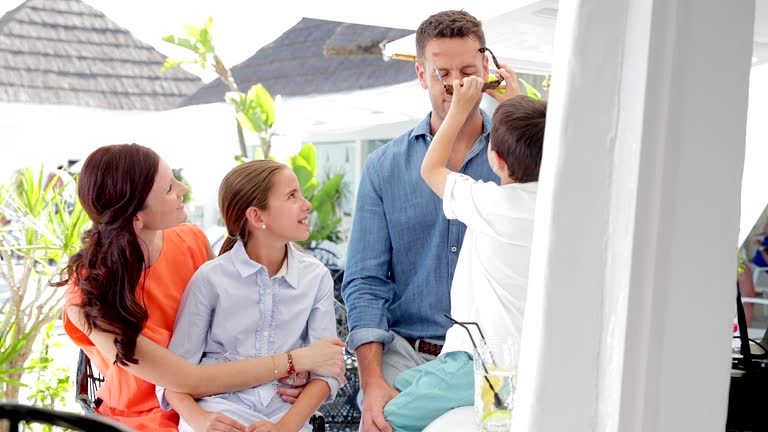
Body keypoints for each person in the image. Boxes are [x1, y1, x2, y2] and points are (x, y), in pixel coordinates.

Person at [56, 144, 346, 432]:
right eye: (169, 188)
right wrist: (295, 361)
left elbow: (240, 323)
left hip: (224, 406)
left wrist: (297, 379)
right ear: (136, 217)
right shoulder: (87, 297)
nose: (183, 188)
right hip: (148, 420)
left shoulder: (191, 241)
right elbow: (189, 378)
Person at [341, 10, 519, 432]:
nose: (457, 83)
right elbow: (365, 281)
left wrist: (519, 110)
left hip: (493, 360)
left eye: (468, 71)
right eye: (443, 73)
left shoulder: (518, 161)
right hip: (405, 357)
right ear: (421, 74)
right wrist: (373, 381)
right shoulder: (384, 167)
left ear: (487, 70)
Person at [384, 77, 546, 430]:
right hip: (531, 363)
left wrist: (456, 111)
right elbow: (535, 148)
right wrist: (515, 102)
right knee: (408, 383)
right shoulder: (557, 210)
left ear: (495, 158)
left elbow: (431, 169)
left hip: (481, 366)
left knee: (389, 414)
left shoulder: (491, 203)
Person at [158, 160, 343, 432]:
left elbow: (327, 372)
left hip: (286, 417)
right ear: (257, 217)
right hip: (218, 412)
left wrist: (285, 427)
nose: (307, 204)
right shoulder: (210, 279)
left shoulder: (315, 278)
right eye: (292, 196)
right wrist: (201, 421)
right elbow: (173, 377)